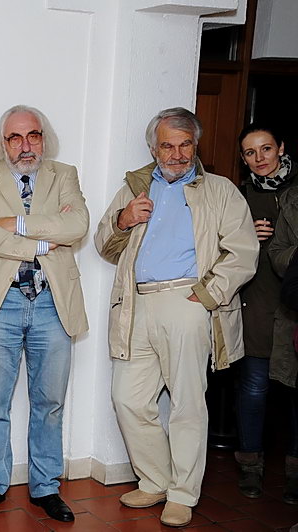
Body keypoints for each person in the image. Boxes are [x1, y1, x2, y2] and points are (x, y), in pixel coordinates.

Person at [94, 107, 258, 527]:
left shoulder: (220, 190)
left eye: (186, 144)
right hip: (136, 304)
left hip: (188, 302)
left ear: (196, 145)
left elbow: (243, 252)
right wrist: (123, 220)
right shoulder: (135, 187)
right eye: (168, 145)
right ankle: (155, 481)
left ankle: (183, 494)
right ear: (154, 148)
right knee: (128, 398)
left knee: (187, 403)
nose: (178, 154)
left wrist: (207, 296)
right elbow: (104, 246)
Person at [0, 105, 89, 522]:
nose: (25, 145)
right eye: (14, 138)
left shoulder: (64, 175)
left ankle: (46, 487)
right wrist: (41, 242)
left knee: (49, 401)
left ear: (43, 138)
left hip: (53, 302)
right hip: (0, 302)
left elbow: (77, 226)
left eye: (32, 135)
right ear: (3, 143)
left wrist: (15, 224)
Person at [235, 123, 298, 501]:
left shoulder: (296, 190)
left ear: (281, 148)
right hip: (257, 303)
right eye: (250, 152)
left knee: (295, 393)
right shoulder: (239, 196)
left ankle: (294, 473)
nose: (259, 158)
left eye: (266, 149)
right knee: (254, 389)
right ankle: (250, 466)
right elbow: (219, 248)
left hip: (294, 307)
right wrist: (248, 239)